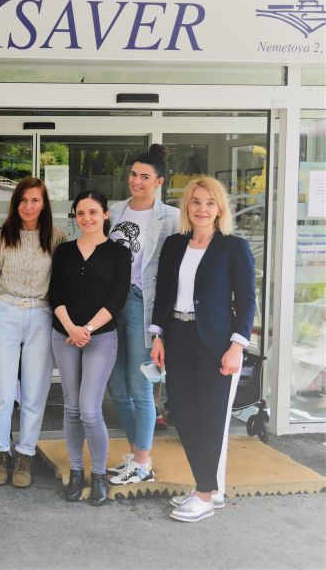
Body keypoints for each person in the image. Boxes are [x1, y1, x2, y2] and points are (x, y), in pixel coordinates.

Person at [150, 177, 256, 523]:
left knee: (210, 418)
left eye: (210, 203)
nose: (202, 209)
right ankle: (207, 487)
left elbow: (247, 300)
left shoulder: (234, 247)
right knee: (182, 413)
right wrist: (157, 335)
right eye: (196, 202)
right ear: (187, 207)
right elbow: (164, 294)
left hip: (216, 342)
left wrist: (237, 346)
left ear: (220, 209)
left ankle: (204, 495)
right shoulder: (174, 245)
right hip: (177, 336)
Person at [0, 177, 65, 488]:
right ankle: (0, 454)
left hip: (41, 314)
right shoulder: (1, 237)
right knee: (2, 392)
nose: (28, 206)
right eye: (23, 200)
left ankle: (25, 455)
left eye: (35, 200)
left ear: (44, 204)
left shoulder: (56, 238)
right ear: (16, 204)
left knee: (34, 392)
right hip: (6, 312)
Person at [48, 191, 131, 505]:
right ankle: (76, 471)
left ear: (105, 214)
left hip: (101, 337)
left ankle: (98, 475)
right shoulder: (64, 251)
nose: (86, 218)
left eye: (93, 212)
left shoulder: (119, 253)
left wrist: (88, 330)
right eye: (80, 213)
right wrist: (71, 328)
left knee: (89, 409)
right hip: (64, 335)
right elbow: (55, 294)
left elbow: (117, 299)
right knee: (71, 408)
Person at [106, 144, 179, 485]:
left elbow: (176, 272)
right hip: (111, 304)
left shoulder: (171, 218)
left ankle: (143, 462)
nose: (136, 181)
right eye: (133, 174)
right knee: (116, 387)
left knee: (140, 387)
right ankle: (137, 454)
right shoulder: (115, 210)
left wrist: (163, 327)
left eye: (145, 177)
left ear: (159, 182)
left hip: (143, 304)